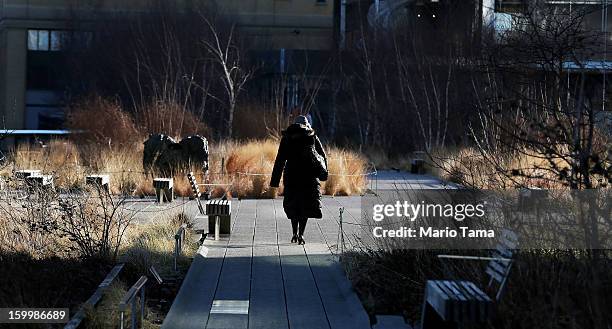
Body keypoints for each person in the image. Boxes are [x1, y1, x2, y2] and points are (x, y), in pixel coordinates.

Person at [270, 115, 327, 245]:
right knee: (305, 205)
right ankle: (301, 234)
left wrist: (275, 181)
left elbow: (280, 160)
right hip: (309, 176)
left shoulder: (287, 138)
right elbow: (322, 157)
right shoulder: (312, 137)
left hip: (291, 176)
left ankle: (294, 233)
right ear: (307, 125)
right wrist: (324, 175)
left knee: (293, 204)